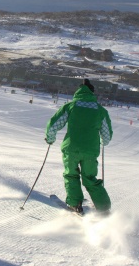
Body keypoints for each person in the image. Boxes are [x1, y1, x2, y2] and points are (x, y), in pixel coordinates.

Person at [45, 79, 113, 215]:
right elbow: (107, 134)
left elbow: (54, 124)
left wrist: (50, 138)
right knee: (89, 178)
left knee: (71, 175)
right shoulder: (100, 110)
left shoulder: (71, 106)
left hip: (71, 149)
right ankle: (103, 208)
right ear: (92, 93)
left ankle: (75, 204)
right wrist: (104, 142)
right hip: (90, 151)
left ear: (78, 91)